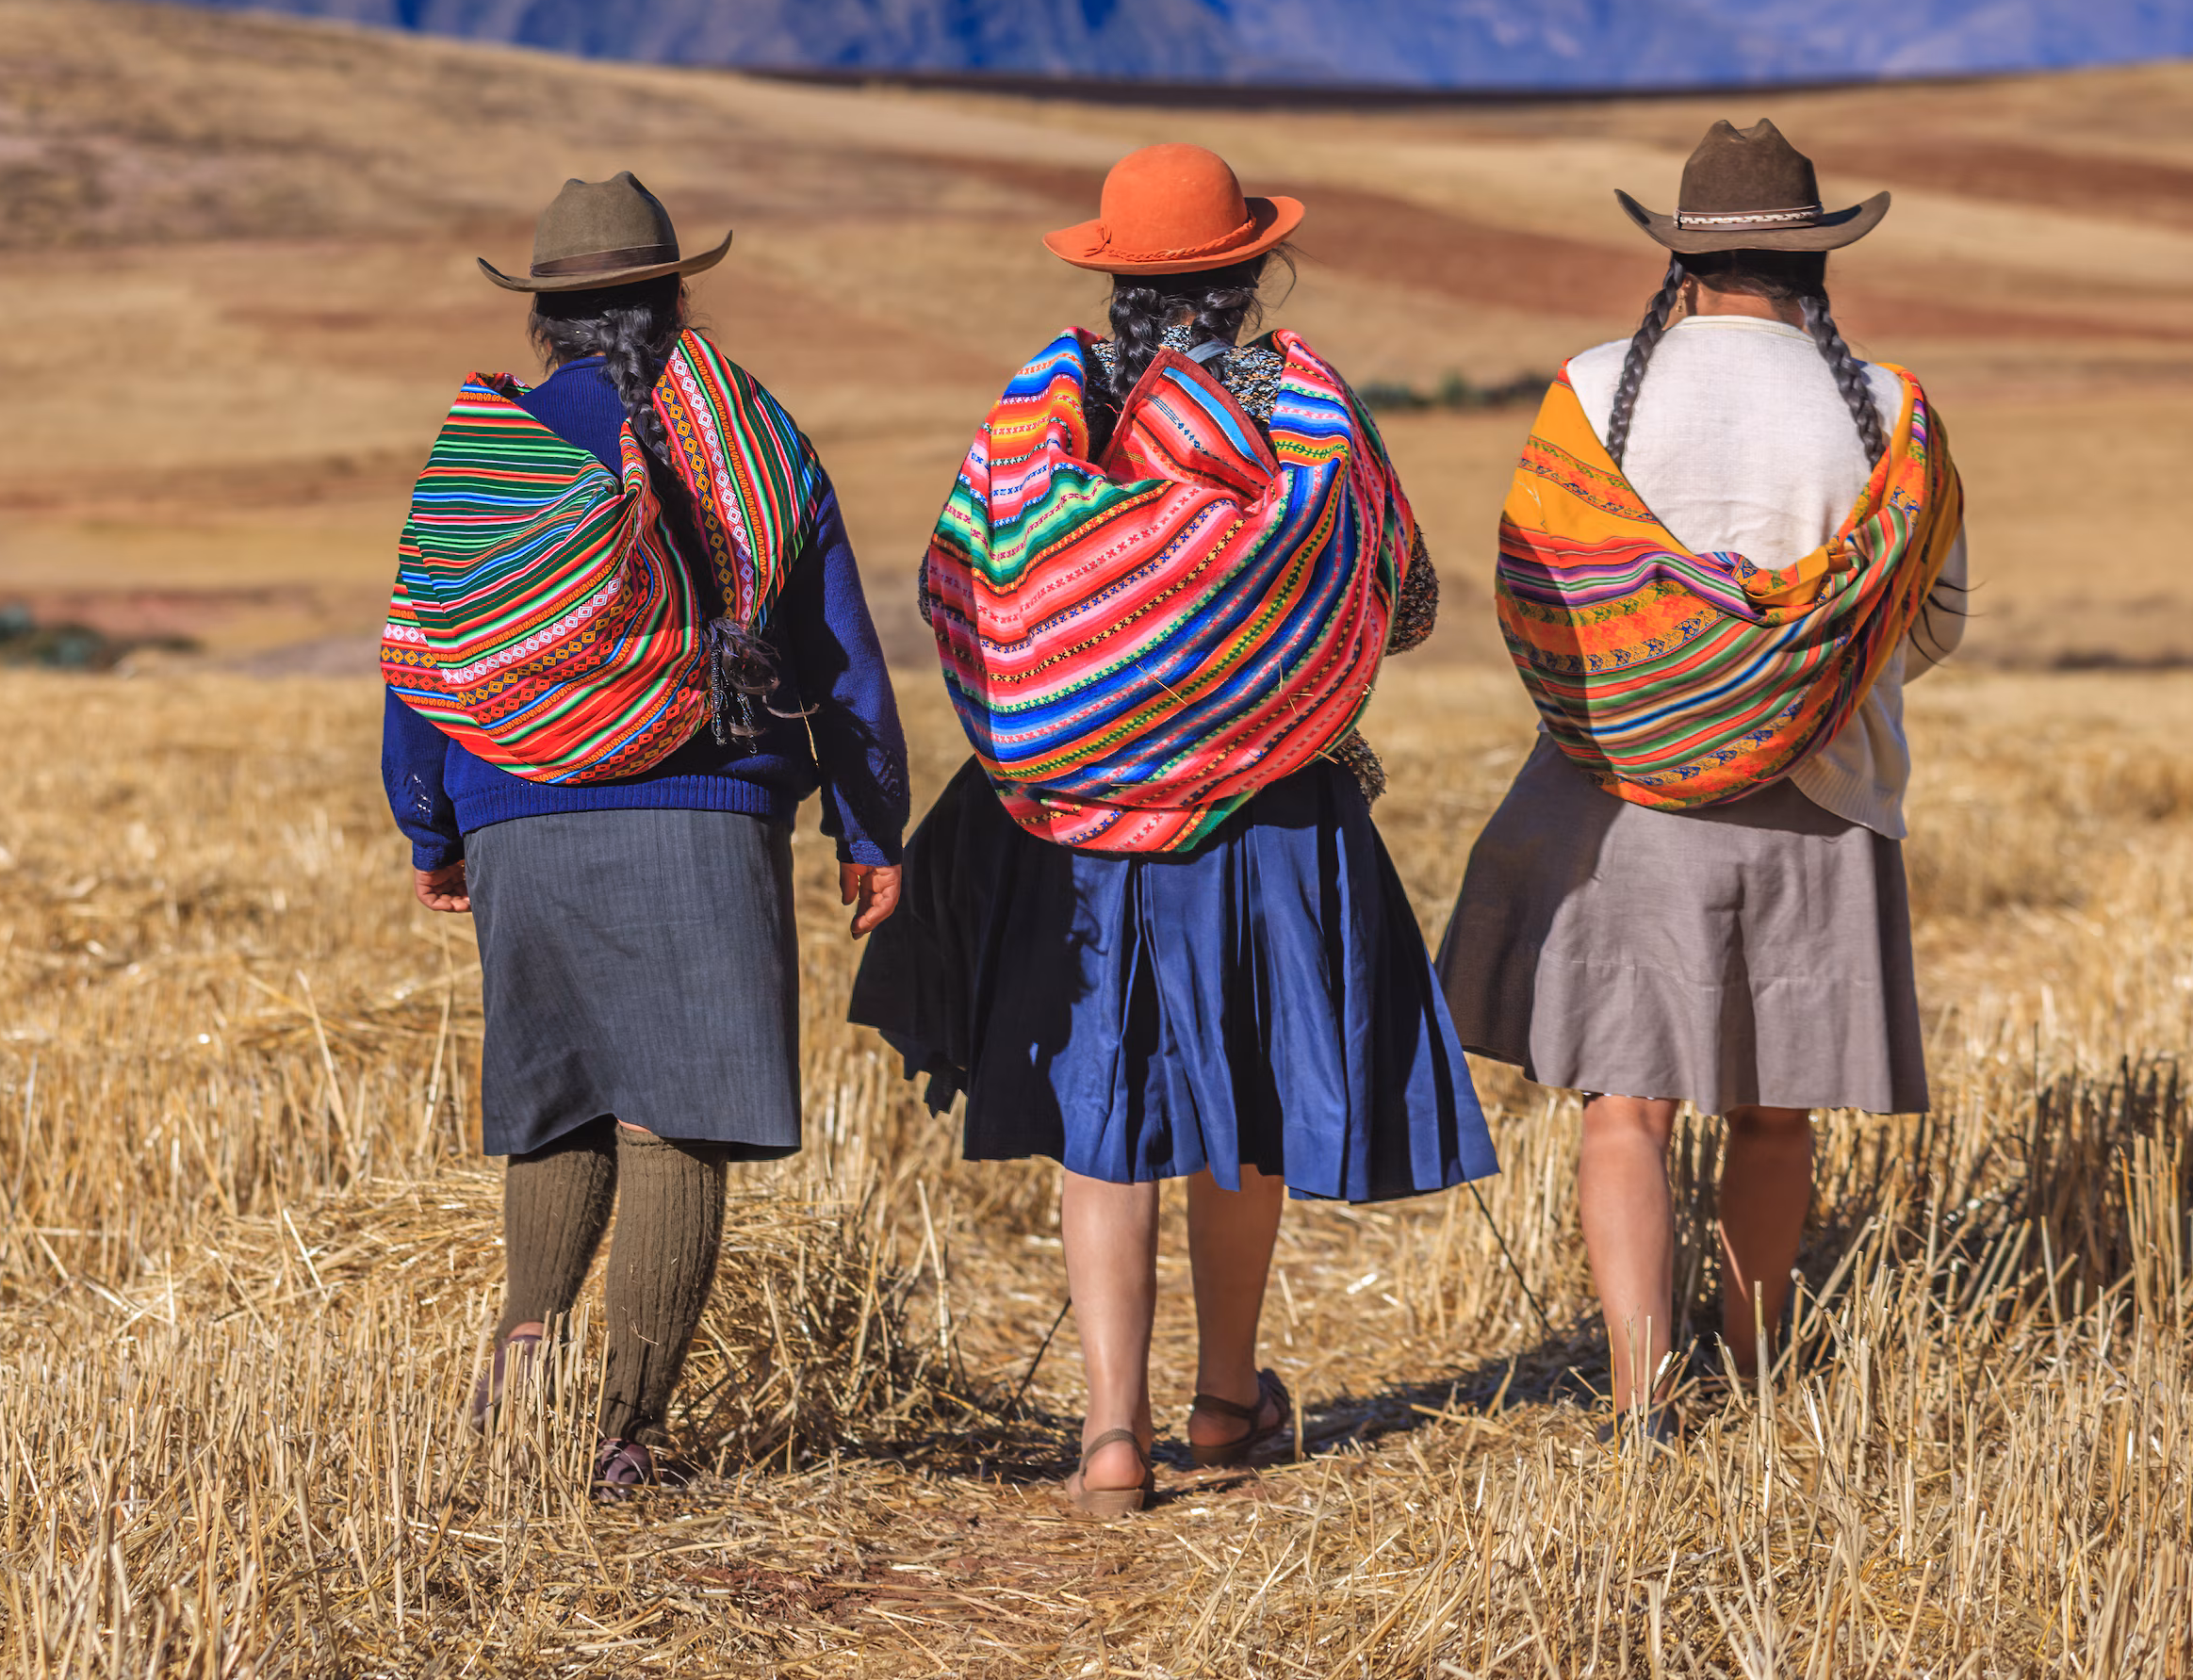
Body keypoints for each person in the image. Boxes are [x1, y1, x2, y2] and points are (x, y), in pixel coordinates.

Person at [853, 142, 1493, 1519]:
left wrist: (1112, 678)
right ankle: (1224, 1400)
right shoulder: (1308, 408)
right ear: (1253, 269)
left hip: (1073, 827)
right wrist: (1261, 659)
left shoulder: (1045, 412)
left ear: (1114, 272)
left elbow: (958, 583)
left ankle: (1108, 1440)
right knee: (1240, 1108)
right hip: (1267, 821)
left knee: (1108, 1119)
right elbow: (1411, 595)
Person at [1435, 119, 1969, 1444]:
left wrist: (1664, 677)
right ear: (1820, 267)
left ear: (1682, 260)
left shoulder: (1590, 388)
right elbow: (1934, 619)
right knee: (1772, 1111)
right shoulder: (1896, 414)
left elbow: (1532, 594)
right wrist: (1787, 681)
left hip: (1623, 794)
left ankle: (1639, 1399)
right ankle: (1757, 1362)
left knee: (1628, 1106)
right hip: (1825, 796)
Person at [381, 172, 912, 1500]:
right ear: (677, 294)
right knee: (680, 1118)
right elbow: (838, 652)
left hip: (518, 815)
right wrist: (869, 822)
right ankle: (623, 1433)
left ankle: (522, 1365)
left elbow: (426, 651)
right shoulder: (752, 442)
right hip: (705, 805)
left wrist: (431, 822)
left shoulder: (491, 450)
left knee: (554, 1106)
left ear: (546, 316)